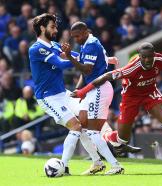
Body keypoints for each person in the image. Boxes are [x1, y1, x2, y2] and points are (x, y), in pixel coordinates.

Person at [72, 42, 162, 165]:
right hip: (131, 97)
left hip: (150, 93)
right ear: (140, 56)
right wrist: (83, 91)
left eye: (150, 57)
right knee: (122, 140)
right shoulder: (132, 68)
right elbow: (106, 76)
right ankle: (107, 134)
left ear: (154, 55)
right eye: (144, 57)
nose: (147, 60)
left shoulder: (160, 60)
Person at [28, 13, 107, 176]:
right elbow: (61, 63)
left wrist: (101, 58)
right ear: (42, 28)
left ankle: (97, 162)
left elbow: (77, 56)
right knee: (76, 126)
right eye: (52, 27)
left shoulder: (54, 45)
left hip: (63, 93)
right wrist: (75, 59)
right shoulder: (37, 49)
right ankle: (62, 166)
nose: (56, 30)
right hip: (48, 97)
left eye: (55, 27)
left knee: (84, 122)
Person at [61, 21, 125, 174]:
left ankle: (115, 165)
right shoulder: (87, 43)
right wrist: (79, 90)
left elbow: (87, 70)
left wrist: (69, 56)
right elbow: (87, 72)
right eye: (73, 37)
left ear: (84, 32)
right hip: (91, 90)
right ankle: (97, 162)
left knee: (93, 131)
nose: (75, 39)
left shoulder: (91, 45)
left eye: (77, 36)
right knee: (81, 126)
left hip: (99, 90)